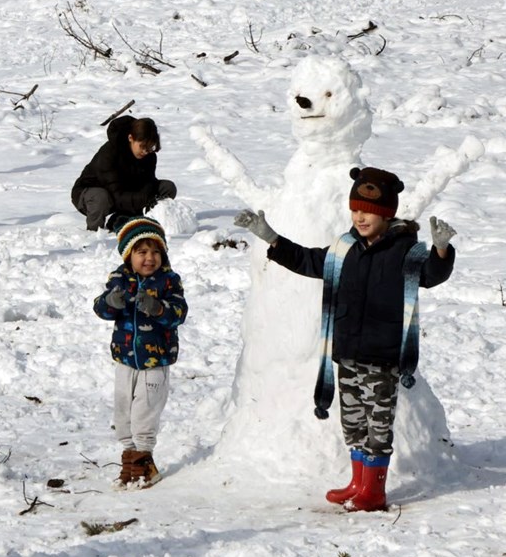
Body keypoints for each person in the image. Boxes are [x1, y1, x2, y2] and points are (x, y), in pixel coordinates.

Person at [234, 166, 457, 512]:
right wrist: (271, 238)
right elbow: (309, 261)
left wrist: (442, 251)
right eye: (355, 210)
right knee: (353, 423)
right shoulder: (344, 250)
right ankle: (358, 482)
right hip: (348, 353)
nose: (360, 217)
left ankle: (375, 491)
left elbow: (430, 273)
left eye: (367, 211)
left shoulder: (403, 253)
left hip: (382, 357)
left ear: (386, 214)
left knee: (378, 425)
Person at [93, 218, 188, 487]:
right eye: (142, 252)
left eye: (156, 251)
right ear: (128, 255)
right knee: (123, 412)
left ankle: (144, 461)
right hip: (125, 358)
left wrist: (159, 309)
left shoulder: (168, 282)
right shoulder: (119, 280)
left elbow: (179, 313)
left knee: (145, 411)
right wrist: (110, 302)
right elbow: (101, 308)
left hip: (155, 359)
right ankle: (129, 457)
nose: (150, 258)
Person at [72, 115, 177, 232]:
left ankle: (130, 219)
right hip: (92, 193)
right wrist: (143, 199)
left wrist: (148, 195)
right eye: (142, 146)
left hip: (125, 194)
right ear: (130, 138)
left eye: (149, 148)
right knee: (101, 197)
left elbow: (149, 182)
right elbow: (115, 192)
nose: (145, 152)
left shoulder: (149, 156)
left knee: (167, 188)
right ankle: (94, 233)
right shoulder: (109, 152)